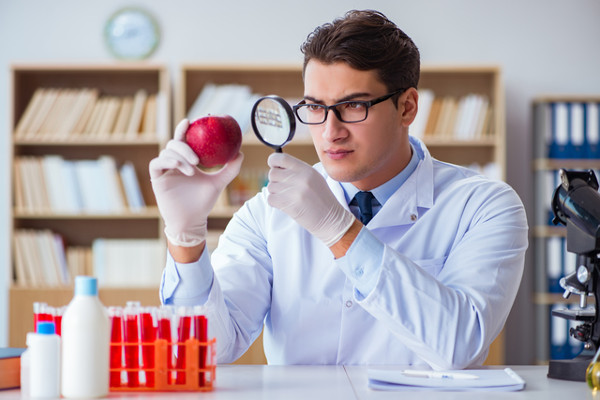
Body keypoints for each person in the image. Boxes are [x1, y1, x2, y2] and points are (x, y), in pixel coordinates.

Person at [149, 9, 528, 369]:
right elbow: (207, 351)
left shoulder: (485, 206)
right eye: (315, 108)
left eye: (353, 106)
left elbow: (459, 345)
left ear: (407, 107)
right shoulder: (267, 211)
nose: (330, 131)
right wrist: (186, 238)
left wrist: (339, 231)